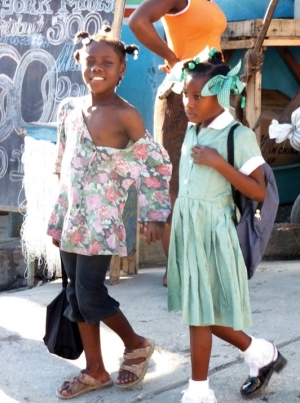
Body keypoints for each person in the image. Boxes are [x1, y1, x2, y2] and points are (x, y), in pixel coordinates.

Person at [47, 27, 172, 399]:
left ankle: (135, 343)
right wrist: (57, 216)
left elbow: (154, 166)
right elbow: (63, 164)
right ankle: (95, 370)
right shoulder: (70, 110)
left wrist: (153, 214)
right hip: (71, 219)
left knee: (89, 294)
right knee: (74, 294)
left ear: (121, 71)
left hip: (101, 223)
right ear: (80, 65)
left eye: (108, 63)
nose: (98, 68)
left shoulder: (125, 116)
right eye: (91, 61)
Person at [167, 52, 287, 403]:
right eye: (185, 95)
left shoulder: (238, 135)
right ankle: (261, 354)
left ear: (220, 97)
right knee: (201, 310)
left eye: (196, 97)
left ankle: (199, 392)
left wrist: (218, 162)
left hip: (216, 233)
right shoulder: (193, 128)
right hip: (190, 230)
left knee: (200, 313)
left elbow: (258, 190)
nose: (188, 104)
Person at [129, 0, 227, 286]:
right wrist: (174, 59)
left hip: (212, 99)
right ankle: (175, 268)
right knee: (175, 186)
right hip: (184, 98)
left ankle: (203, 265)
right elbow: (137, 21)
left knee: (209, 182)